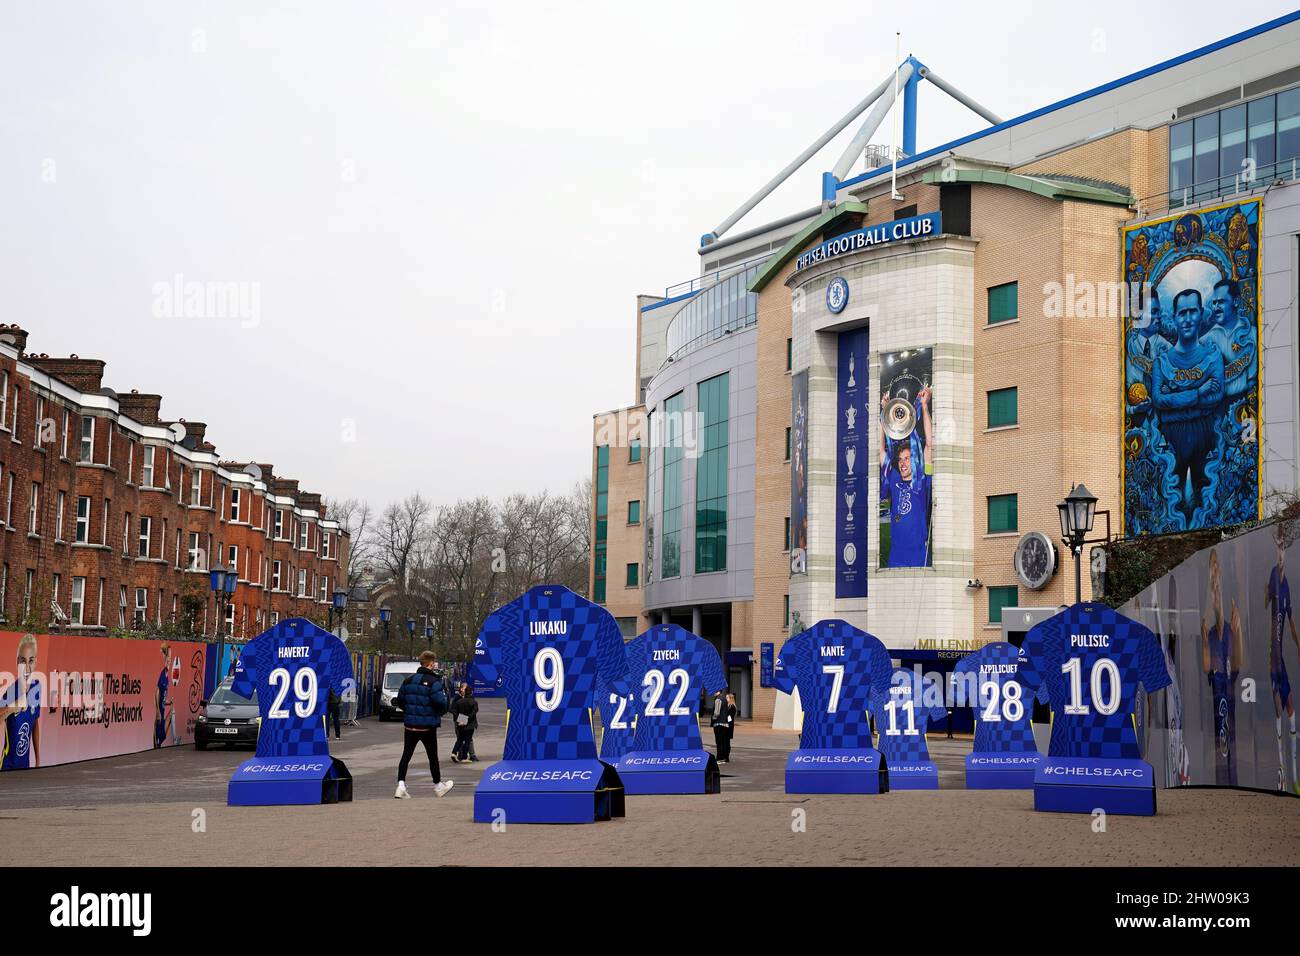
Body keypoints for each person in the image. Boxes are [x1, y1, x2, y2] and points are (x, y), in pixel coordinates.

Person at [1151, 289, 1225, 524]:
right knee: (1175, 499)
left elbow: (1217, 396)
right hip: (1171, 439)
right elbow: (1159, 400)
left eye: (1193, 311)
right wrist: (1198, 392)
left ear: (1201, 313)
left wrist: (1177, 398)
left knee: (1205, 498)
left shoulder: (1213, 357)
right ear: (1174, 317)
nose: (1188, 318)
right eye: (1182, 313)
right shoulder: (1162, 362)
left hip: (1206, 436)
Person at [879, 385, 933, 567]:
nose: (902, 463)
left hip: (919, 555)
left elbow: (930, 446)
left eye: (907, 459)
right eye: (901, 459)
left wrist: (924, 407)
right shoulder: (894, 480)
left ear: (914, 461)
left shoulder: (923, 481)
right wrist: (884, 414)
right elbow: (880, 450)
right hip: (896, 557)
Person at [1202, 548, 1243, 786]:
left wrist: (1237, 635)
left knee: (1229, 746)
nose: (1215, 571)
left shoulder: (1228, 621)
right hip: (1216, 697)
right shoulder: (1209, 621)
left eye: (1217, 566)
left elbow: (1238, 662)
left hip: (1228, 694)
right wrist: (1206, 646)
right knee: (1221, 746)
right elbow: (1206, 665)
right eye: (1211, 566)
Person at [1265, 534, 1299, 793]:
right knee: (1279, 707)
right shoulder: (1274, 578)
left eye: (1283, 549)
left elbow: (1291, 622)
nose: (1280, 554)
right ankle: (1282, 772)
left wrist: (1298, 646)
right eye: (1277, 549)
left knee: (1290, 710)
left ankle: (1294, 774)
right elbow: (1266, 605)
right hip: (1272, 657)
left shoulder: (1286, 586)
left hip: (1282, 657)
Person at [394, 651, 453, 799]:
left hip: (410, 725)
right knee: (432, 756)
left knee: (406, 755)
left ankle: (400, 785)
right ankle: (438, 785)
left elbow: (400, 700)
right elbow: (440, 702)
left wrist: (409, 711)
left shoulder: (408, 681)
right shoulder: (434, 682)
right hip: (427, 726)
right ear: (431, 663)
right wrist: (440, 711)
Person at [1, 634, 41, 770]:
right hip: (8, 767)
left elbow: (35, 723)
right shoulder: (12, 691)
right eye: (23, 661)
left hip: (25, 768)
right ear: (17, 662)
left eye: (31, 661)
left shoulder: (37, 688)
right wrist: (13, 707)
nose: (27, 667)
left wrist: (38, 759)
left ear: (36, 662)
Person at [449, 683, 478, 763]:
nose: (465, 690)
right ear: (461, 689)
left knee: (466, 739)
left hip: (463, 720)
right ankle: (462, 755)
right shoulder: (457, 698)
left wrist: (463, 719)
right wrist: (461, 719)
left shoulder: (470, 699)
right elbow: (452, 709)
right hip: (460, 721)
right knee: (463, 738)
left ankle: (471, 755)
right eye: (464, 688)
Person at [710, 689, 734, 764]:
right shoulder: (724, 699)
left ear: (717, 691)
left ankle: (719, 758)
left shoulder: (718, 699)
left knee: (719, 742)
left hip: (719, 724)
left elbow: (716, 713)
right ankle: (723, 758)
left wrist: (713, 719)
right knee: (723, 742)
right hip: (725, 724)